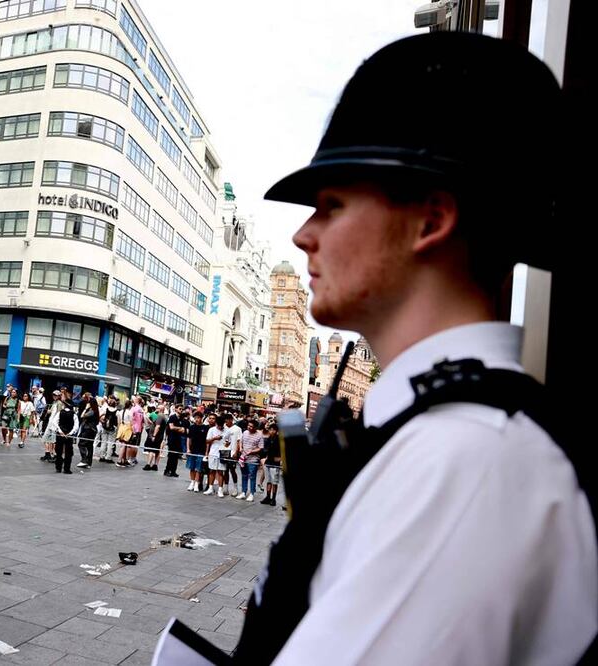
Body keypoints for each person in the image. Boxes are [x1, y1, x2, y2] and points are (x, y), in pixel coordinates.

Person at [232, 33, 597, 665]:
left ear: (430, 221)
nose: (302, 234)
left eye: (332, 204)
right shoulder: (441, 438)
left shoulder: (461, 461)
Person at [52, 388, 78, 475]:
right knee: (68, 453)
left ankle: (58, 467)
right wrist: (70, 433)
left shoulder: (60, 413)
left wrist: (60, 431)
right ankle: (67, 469)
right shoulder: (74, 414)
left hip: (60, 435)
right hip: (69, 436)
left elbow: (54, 422)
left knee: (58, 451)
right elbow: (76, 426)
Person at [236, 420, 262, 501]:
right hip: (243, 457)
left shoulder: (259, 435)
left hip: (253, 459)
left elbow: (260, 448)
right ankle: (243, 492)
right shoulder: (245, 432)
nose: (249, 427)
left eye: (251, 426)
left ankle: (252, 493)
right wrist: (240, 448)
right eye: (248, 426)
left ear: (255, 427)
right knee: (244, 475)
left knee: (252, 476)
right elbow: (241, 441)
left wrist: (251, 451)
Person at [184, 411, 208, 491]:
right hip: (192, 450)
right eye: (195, 418)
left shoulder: (205, 428)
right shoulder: (192, 427)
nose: (197, 419)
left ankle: (197, 484)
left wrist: (206, 452)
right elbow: (189, 438)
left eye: (198, 418)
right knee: (192, 467)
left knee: (198, 468)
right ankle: (192, 482)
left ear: (201, 418)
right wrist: (188, 449)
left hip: (201, 450)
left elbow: (207, 441)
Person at [75, 392, 99, 468]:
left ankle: (84, 460)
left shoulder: (91, 411)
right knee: (89, 445)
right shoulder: (96, 410)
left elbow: (82, 416)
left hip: (88, 429)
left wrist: (86, 408)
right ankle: (88, 462)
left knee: (81, 443)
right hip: (93, 429)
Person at [260, 423, 281, 506]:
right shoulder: (268, 439)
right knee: (268, 480)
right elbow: (265, 450)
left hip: (275, 463)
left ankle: (273, 499)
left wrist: (280, 458)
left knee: (274, 481)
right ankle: (268, 497)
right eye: (270, 429)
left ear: (276, 431)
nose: (271, 431)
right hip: (268, 461)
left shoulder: (279, 440)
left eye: (273, 430)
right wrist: (264, 458)